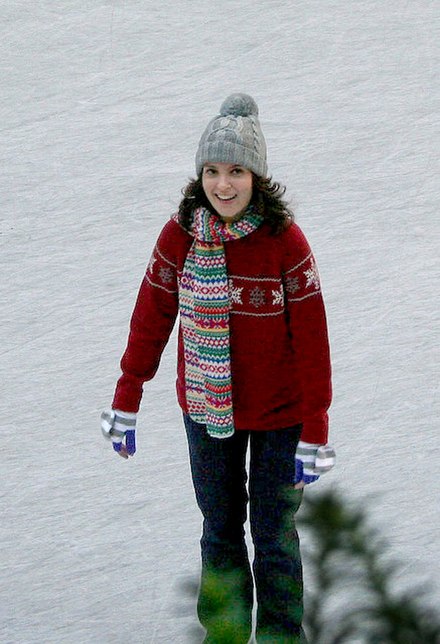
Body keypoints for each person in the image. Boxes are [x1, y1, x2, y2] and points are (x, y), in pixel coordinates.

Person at [101, 93, 335, 643]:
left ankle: (281, 637)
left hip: (281, 417)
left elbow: (312, 341)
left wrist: (316, 423)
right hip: (206, 409)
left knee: (274, 534)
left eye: (236, 171)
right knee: (221, 530)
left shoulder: (285, 243)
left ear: (257, 176)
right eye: (211, 170)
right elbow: (151, 318)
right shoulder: (179, 236)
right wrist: (127, 393)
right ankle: (225, 636)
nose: (222, 184)